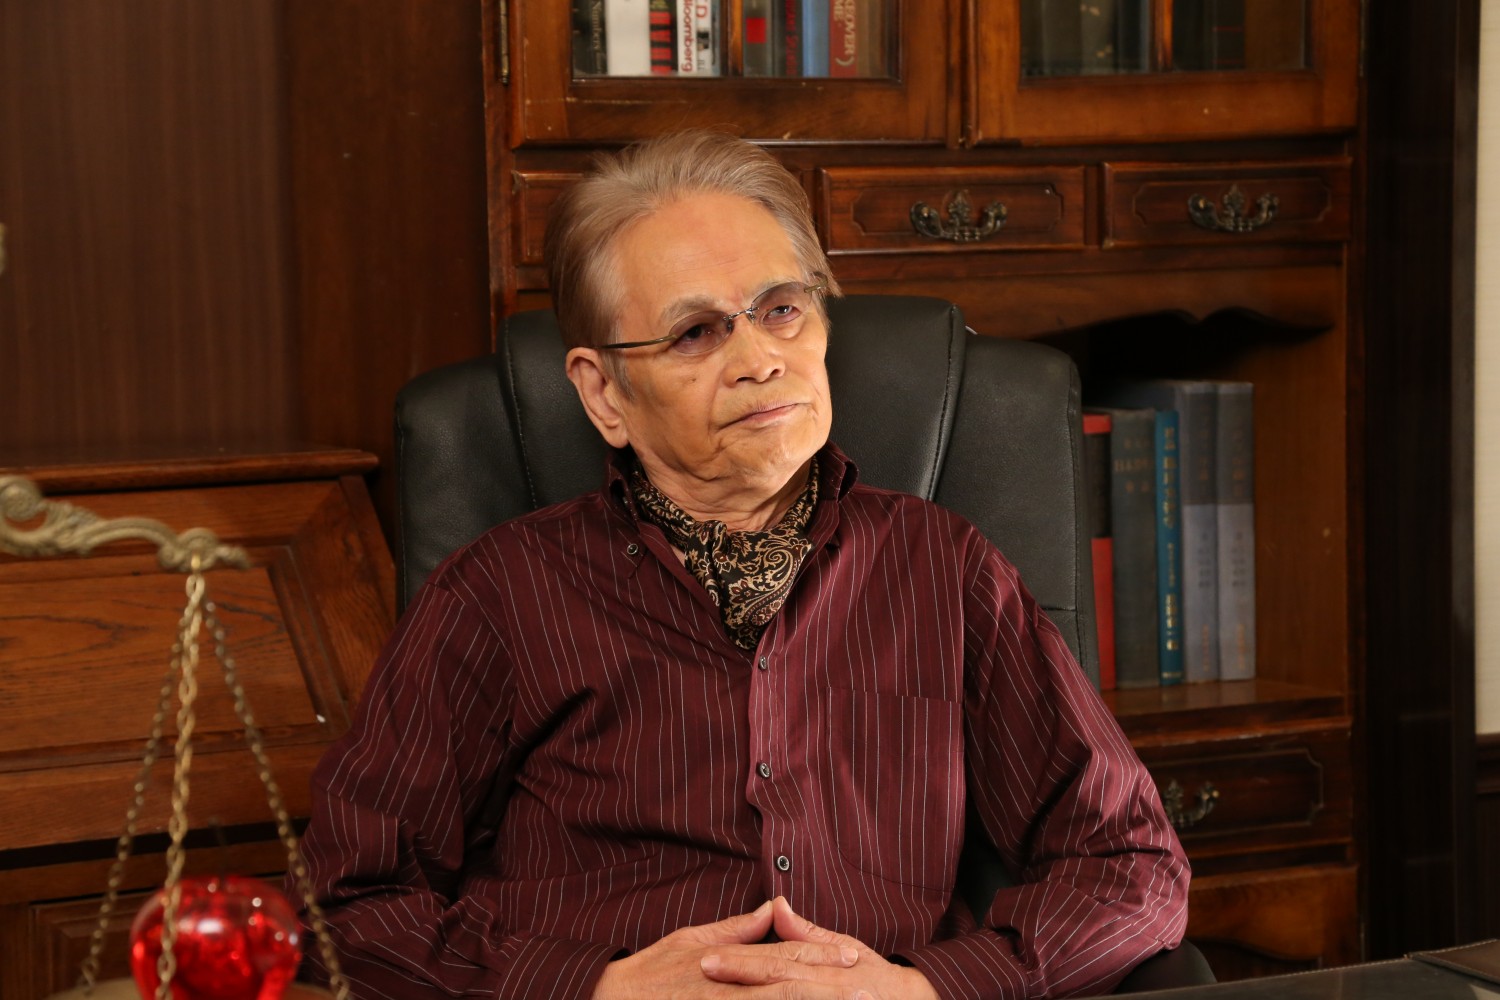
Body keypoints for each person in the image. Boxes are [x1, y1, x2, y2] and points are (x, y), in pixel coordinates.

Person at [295, 129, 1189, 1000]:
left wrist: (924, 989)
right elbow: (346, 904)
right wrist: (596, 987)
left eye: (782, 310)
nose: (760, 361)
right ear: (604, 393)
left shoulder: (945, 569)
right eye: (694, 333)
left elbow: (1131, 864)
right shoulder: (497, 593)